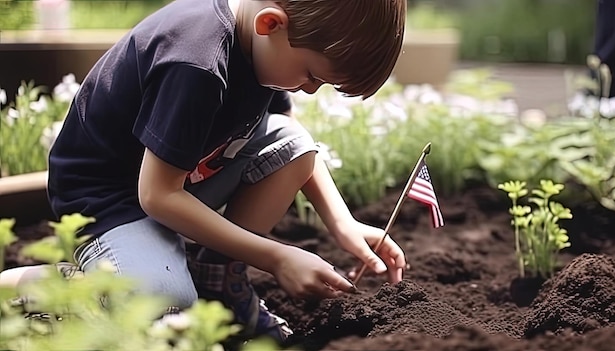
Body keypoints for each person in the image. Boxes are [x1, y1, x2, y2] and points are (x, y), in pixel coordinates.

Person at [0, 0, 407, 344]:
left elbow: (291, 143)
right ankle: (39, 286)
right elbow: (156, 196)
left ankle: (217, 277)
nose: (309, 89)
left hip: (175, 180)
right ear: (271, 24)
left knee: (293, 143)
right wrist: (278, 258)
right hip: (111, 201)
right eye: (313, 76)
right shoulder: (197, 61)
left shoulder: (264, 45)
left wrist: (343, 223)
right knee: (168, 305)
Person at [593, 0, 615, 109]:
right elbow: (601, 26)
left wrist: (603, 54)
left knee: (614, 101)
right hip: (603, 55)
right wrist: (597, 52)